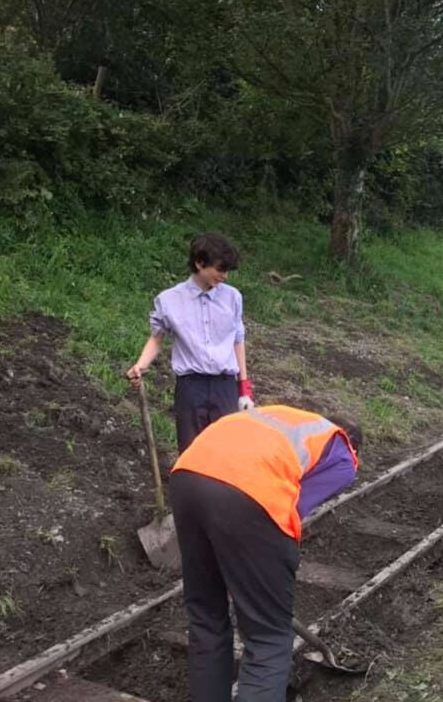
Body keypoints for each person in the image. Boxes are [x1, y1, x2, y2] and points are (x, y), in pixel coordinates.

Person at [169, 405, 362, 702]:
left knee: (206, 618)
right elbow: (290, 511)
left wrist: (234, 561)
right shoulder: (342, 451)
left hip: (187, 476)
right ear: (353, 446)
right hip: (247, 494)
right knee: (269, 638)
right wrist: (255, 571)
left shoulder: (282, 419)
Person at [126, 232, 253, 454]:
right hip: (190, 387)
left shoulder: (233, 297)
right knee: (192, 451)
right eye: (220, 269)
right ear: (199, 263)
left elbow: (237, 341)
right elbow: (157, 339)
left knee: (227, 450)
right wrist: (140, 365)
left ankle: (221, 490)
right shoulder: (169, 300)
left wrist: (244, 388)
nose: (225, 276)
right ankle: (191, 489)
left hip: (225, 386)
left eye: (227, 271)